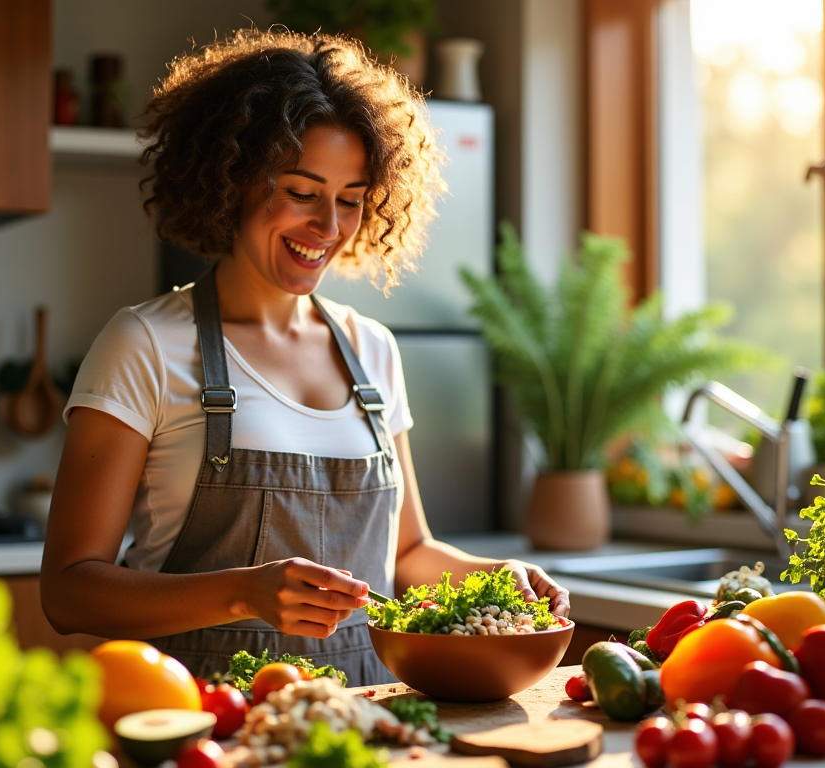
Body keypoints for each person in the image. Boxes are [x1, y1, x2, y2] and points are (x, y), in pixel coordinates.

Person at [39, 29, 570, 686]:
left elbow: (407, 553)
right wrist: (243, 593)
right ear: (231, 180)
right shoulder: (145, 345)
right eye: (300, 190)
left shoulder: (372, 349)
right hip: (210, 728)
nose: (328, 226)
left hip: (368, 720)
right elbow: (67, 594)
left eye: (350, 199)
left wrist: (493, 577)